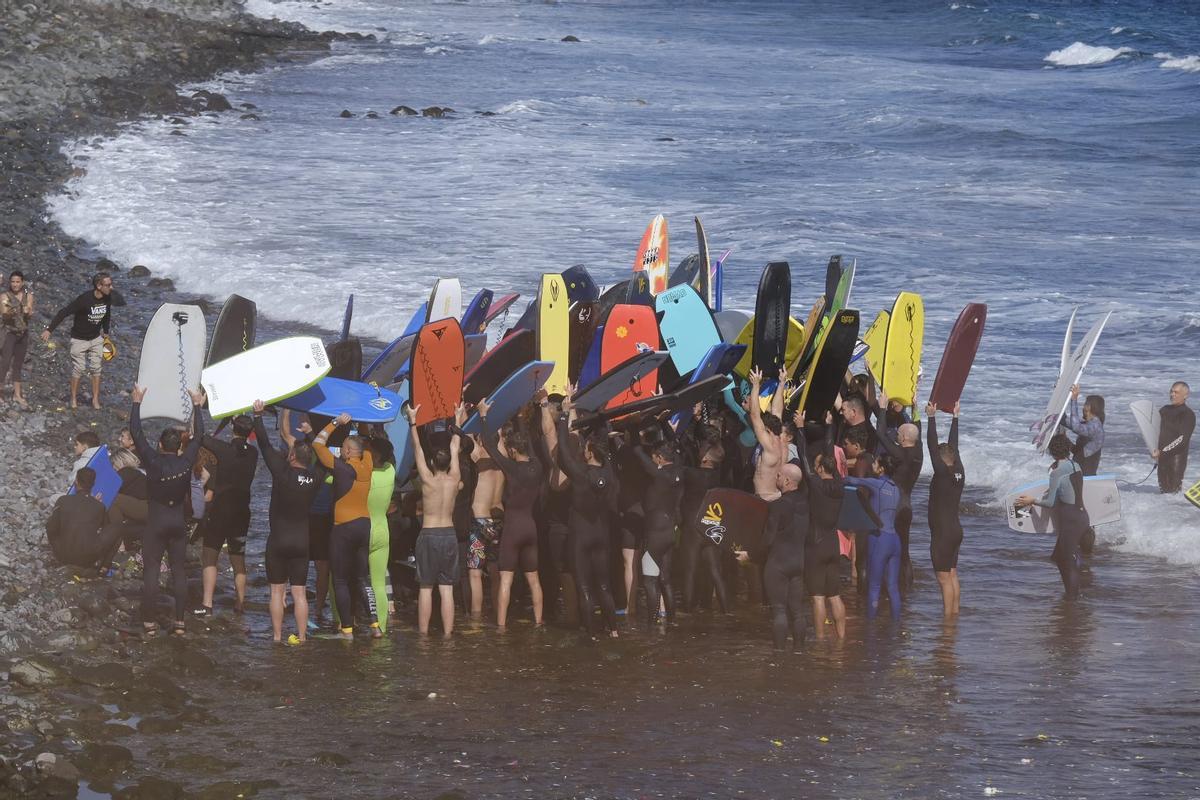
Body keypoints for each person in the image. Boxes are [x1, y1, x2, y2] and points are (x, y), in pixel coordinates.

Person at [129, 384, 205, 636]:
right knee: (179, 570)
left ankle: (149, 622)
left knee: (151, 570)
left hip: (157, 521)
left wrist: (137, 402)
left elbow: (136, 433)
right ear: (177, 445)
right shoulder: (186, 461)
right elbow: (200, 437)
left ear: (161, 444)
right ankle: (180, 622)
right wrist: (197, 405)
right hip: (177, 523)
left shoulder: (152, 461)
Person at [251, 401, 320, 644]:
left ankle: (278, 636)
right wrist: (311, 434)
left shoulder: (282, 472)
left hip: (279, 540)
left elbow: (265, 444)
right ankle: (302, 637)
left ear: (291, 456)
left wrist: (258, 416)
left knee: (277, 591)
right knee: (299, 593)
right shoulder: (314, 478)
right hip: (302, 541)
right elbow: (320, 457)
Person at [557, 386, 620, 638]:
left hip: (581, 535)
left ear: (590, 452)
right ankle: (614, 631)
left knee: (584, 586)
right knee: (604, 586)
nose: (582, 451)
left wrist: (564, 414)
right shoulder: (609, 474)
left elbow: (562, 450)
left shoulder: (582, 475)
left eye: (585, 448)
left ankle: (591, 635)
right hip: (601, 534)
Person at [479, 399, 545, 631]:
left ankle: (501, 625)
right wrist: (519, 417)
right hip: (531, 528)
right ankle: (538, 622)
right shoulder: (537, 466)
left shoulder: (512, 467)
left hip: (513, 528)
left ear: (514, 451)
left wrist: (484, 416)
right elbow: (531, 444)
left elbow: (487, 443)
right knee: (534, 579)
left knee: (506, 579)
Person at [313, 412, 381, 639]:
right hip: (364, 525)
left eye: (343, 448)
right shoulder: (368, 463)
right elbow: (365, 441)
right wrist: (361, 415)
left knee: (340, 579)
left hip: (343, 528)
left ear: (349, 452)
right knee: (362, 578)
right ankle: (375, 626)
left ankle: (347, 630)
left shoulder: (341, 469)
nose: (340, 451)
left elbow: (318, 443)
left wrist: (336, 423)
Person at [407, 403, 465, 637]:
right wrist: (458, 419)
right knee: (447, 589)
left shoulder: (428, 481)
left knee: (425, 588)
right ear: (449, 463)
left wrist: (413, 421)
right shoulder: (455, 478)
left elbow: (417, 449)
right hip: (448, 535)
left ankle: (423, 635)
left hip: (429, 535)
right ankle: (448, 635)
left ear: (433, 464)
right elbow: (455, 444)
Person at [197, 415, 259, 617]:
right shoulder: (253, 453)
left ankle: (207, 604)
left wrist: (198, 407)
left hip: (221, 509)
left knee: (210, 555)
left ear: (232, 427)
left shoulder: (224, 450)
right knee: (238, 558)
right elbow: (244, 445)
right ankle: (240, 604)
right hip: (242, 512)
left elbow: (201, 436)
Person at [1014, 434, 1089, 599]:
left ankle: (1072, 599)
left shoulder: (1056, 473)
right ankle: (1071, 590)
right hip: (1083, 517)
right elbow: (1067, 484)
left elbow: (1049, 503)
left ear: (1052, 452)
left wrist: (1032, 500)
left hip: (1071, 521)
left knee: (1066, 561)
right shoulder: (1076, 465)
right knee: (1058, 557)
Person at [794, 412, 847, 640]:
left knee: (817, 596)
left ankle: (820, 640)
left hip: (815, 544)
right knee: (834, 595)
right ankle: (842, 638)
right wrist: (829, 428)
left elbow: (804, 457)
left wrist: (800, 429)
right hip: (833, 543)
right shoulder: (840, 486)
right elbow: (829, 457)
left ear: (820, 469)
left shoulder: (815, 484)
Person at [41, 272, 115, 409]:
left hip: (96, 338)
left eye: (111, 284)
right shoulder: (84, 299)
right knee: (79, 369)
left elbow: (107, 315)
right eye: (108, 285)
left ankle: (95, 400)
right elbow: (64, 312)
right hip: (79, 339)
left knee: (96, 368)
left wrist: (106, 332)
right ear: (99, 286)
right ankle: (73, 399)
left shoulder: (107, 298)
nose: (111, 287)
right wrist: (49, 330)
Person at [630, 437, 684, 625]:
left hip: (655, 533)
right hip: (671, 531)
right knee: (666, 579)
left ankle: (651, 625)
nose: (652, 460)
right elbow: (674, 451)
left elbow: (637, 452)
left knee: (650, 581)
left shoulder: (659, 475)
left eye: (654, 457)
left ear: (660, 458)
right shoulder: (678, 471)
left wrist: (633, 430)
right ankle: (672, 621)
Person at [844, 456, 902, 623]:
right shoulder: (895, 488)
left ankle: (869, 628)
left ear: (882, 468)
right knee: (892, 587)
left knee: (874, 586)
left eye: (875, 463)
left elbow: (850, 480)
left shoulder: (876, 483)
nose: (872, 465)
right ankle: (895, 626)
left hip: (879, 538)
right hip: (894, 540)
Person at [874, 391, 922, 591]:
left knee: (885, 547)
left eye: (900, 434)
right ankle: (907, 588)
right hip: (907, 505)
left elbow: (880, 433)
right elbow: (918, 429)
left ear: (902, 437)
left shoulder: (899, 453)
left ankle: (890, 586)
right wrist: (914, 407)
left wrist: (883, 409)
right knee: (905, 550)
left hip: (893, 507)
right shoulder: (918, 452)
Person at [762, 462, 809, 651]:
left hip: (778, 563)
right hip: (798, 562)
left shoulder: (779, 506)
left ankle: (779, 656)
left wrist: (749, 554)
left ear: (788, 480)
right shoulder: (806, 503)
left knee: (779, 610)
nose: (776, 478)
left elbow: (767, 539)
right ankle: (799, 652)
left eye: (779, 475)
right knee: (797, 612)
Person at [925, 401, 965, 617]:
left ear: (941, 461)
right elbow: (954, 446)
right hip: (955, 531)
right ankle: (954, 616)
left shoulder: (941, 474)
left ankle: (948, 622)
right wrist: (955, 418)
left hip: (942, 534)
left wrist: (931, 418)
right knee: (952, 575)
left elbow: (932, 447)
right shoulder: (959, 470)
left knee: (943, 579)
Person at [46, 468, 120, 569]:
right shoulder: (99, 506)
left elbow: (50, 528)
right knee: (116, 529)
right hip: (87, 558)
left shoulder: (63, 500)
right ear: (93, 484)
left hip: (61, 554)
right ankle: (104, 567)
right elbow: (105, 529)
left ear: (76, 481)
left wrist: (57, 545)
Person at [366, 436, 397, 634]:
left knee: (342, 580)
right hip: (382, 530)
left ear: (375, 455)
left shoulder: (363, 476)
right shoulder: (390, 471)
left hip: (363, 530)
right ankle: (382, 627)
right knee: (378, 583)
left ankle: (343, 624)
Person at [747, 367, 787, 500]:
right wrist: (781, 383)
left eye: (763, 429)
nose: (760, 431)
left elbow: (754, 416)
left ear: (768, 430)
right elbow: (777, 410)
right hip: (773, 496)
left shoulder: (770, 445)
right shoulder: (780, 436)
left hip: (765, 499)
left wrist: (756, 385)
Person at [0, 270, 34, 407]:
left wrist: (28, 311)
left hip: (23, 334)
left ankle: (17, 395)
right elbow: (4, 313)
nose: (15, 284)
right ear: (10, 283)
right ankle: (0, 392)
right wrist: (9, 312)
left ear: (22, 282)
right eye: (13, 282)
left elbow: (31, 312)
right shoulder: (4, 296)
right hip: (9, 333)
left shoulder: (28, 295)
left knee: (18, 365)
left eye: (17, 282)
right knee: (5, 362)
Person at [1155, 382, 1194, 494]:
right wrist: (1153, 447)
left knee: (1172, 494)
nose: (1172, 394)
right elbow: (1154, 429)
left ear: (1185, 395)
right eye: (1171, 391)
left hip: (1176, 459)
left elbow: (1182, 439)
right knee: (1163, 494)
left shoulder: (1187, 414)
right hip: (1162, 458)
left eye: (1176, 392)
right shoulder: (1164, 410)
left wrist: (1163, 452)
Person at [1063, 385, 1104, 476]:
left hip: (1086, 479)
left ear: (1088, 408)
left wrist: (1074, 399)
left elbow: (1076, 427)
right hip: (1079, 474)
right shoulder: (1089, 424)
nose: (1082, 407)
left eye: (1085, 404)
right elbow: (1067, 422)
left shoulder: (1095, 426)